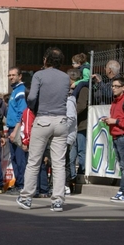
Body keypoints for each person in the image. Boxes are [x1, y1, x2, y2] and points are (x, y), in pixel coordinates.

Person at [16, 47, 70, 212]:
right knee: (59, 163)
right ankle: (58, 201)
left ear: (45, 60)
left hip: (43, 119)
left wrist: (33, 108)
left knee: (34, 161)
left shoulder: (39, 75)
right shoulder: (66, 77)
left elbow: (32, 97)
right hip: (61, 120)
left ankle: (26, 198)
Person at [102, 77, 124, 202]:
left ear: (123, 88)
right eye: (112, 86)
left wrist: (114, 121)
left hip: (122, 136)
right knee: (122, 167)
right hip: (116, 136)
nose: (113, 88)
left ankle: (122, 191)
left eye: (116, 86)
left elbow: (119, 120)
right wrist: (109, 121)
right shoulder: (115, 101)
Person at [6, 67, 27, 195]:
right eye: (9, 75)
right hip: (11, 127)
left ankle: (22, 184)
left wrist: (16, 130)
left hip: (17, 128)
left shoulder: (20, 91)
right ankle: (18, 183)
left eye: (13, 75)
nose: (11, 77)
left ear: (20, 76)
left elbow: (22, 112)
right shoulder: (15, 91)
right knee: (14, 157)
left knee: (20, 158)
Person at [68, 68, 88, 192]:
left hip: (81, 125)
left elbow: (81, 105)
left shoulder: (83, 89)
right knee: (71, 153)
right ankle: (72, 176)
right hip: (73, 126)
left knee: (81, 150)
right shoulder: (72, 90)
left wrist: (71, 113)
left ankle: (81, 173)